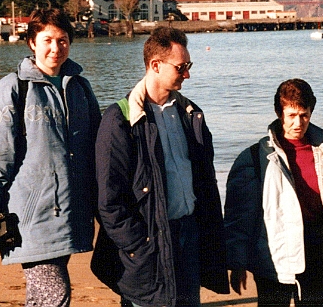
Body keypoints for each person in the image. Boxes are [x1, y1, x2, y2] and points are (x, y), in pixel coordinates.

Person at [0, 8, 100, 307]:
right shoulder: (11, 89)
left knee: (42, 298)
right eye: (48, 40)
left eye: (63, 40)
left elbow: (96, 151)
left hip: (71, 214)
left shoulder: (80, 88)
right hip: (29, 218)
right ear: (32, 43)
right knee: (54, 295)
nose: (56, 48)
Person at [93, 26, 228, 307]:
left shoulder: (191, 115)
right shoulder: (119, 120)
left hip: (189, 239)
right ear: (155, 65)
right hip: (148, 247)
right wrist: (140, 246)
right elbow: (109, 202)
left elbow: (205, 184)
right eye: (182, 67)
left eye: (188, 66)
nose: (187, 74)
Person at [224, 79, 323, 307]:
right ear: (279, 113)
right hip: (272, 254)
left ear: (311, 112)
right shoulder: (255, 157)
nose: (298, 123)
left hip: (314, 249)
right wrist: (237, 262)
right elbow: (239, 215)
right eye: (292, 115)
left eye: (304, 115)